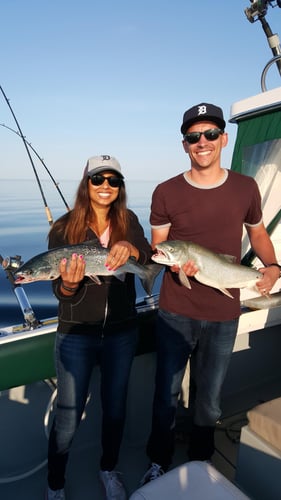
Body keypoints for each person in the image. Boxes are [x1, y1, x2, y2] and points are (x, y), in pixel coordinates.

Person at [140, 103, 281, 484]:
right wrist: (175, 265)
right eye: (193, 137)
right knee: (165, 394)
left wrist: (273, 268)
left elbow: (257, 233)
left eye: (210, 134)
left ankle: (201, 461)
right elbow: (159, 245)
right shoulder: (166, 191)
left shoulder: (245, 187)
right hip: (175, 310)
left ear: (224, 139)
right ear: (184, 144)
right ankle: (159, 459)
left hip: (223, 311)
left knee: (210, 399)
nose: (202, 142)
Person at [46, 155, 153, 500]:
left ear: (120, 186)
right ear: (86, 182)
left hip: (122, 332)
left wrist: (132, 246)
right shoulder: (63, 229)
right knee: (67, 415)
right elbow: (59, 294)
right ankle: (55, 484)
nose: (105, 185)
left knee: (116, 407)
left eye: (113, 180)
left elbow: (148, 256)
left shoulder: (129, 219)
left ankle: (109, 469)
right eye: (98, 179)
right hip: (76, 332)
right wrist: (69, 285)